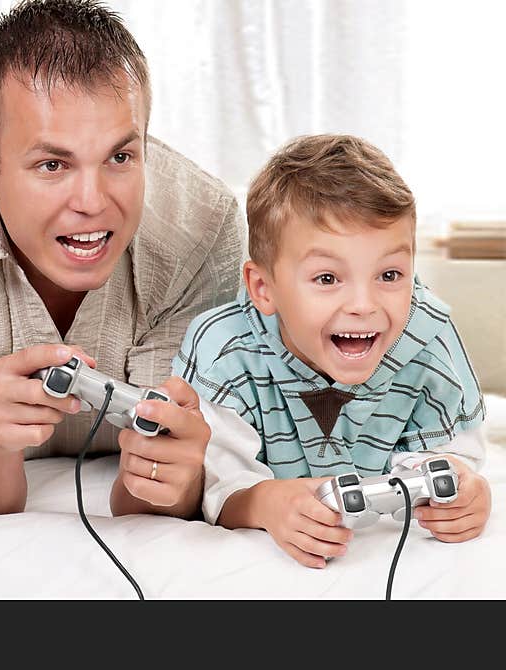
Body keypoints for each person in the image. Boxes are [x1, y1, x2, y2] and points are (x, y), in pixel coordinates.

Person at [0, 0, 245, 519]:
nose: (92, 201)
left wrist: (172, 472)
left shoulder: (202, 227)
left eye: (119, 156)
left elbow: (165, 493)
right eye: (52, 164)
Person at [175, 134, 491, 568]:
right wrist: (265, 502)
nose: (364, 305)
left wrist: (464, 489)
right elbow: (213, 485)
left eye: (390, 274)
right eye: (327, 279)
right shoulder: (225, 350)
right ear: (263, 289)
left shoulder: (428, 335)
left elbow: (457, 456)